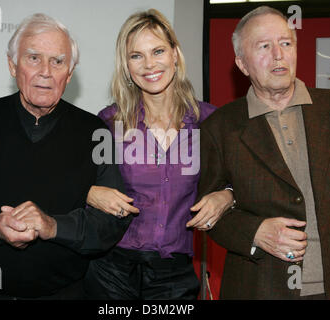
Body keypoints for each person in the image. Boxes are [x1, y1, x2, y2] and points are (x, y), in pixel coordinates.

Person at [0, 13, 131, 299]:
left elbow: (111, 222)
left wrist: (53, 226)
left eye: (58, 61)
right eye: (33, 58)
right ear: (12, 64)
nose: (45, 71)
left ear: (69, 74)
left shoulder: (95, 132)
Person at [198, 6, 330, 299]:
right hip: (260, 288)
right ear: (242, 64)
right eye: (264, 46)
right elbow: (209, 216)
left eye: (286, 43)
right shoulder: (220, 127)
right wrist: (254, 232)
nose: (278, 54)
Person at [83, 9, 234, 300]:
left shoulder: (210, 122)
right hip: (110, 271)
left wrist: (226, 195)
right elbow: (73, 183)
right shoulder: (109, 122)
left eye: (158, 51)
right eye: (136, 56)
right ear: (126, 65)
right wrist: (88, 192)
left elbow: (242, 180)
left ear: (175, 54)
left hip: (174, 274)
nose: (149, 64)